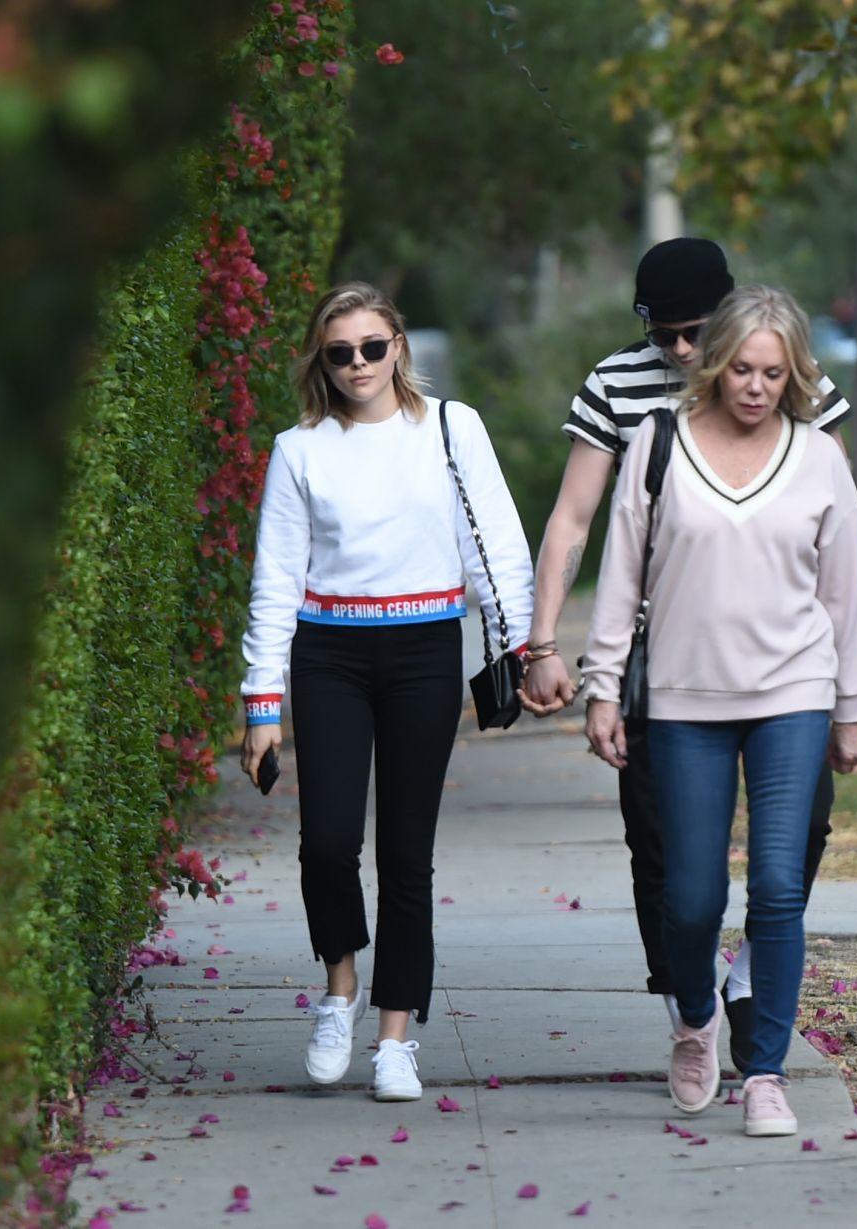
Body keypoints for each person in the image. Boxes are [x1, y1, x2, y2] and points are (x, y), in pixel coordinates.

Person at [519, 238, 857, 1069]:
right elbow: (576, 520)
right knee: (663, 850)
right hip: (669, 658)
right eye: (664, 334)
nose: (681, 351)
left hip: (785, 654)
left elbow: (845, 515)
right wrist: (545, 644)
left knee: (804, 827)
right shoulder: (619, 384)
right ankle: (691, 999)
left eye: (694, 332)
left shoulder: (782, 373)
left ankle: (755, 972)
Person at [581, 284, 857, 1136]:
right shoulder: (656, 444)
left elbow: (845, 589)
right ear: (715, 365)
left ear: (795, 375)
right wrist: (605, 686)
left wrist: (851, 705)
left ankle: (767, 1072)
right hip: (683, 701)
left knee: (780, 887)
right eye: (742, 368)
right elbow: (621, 572)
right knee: (693, 898)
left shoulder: (818, 456)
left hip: (793, 695)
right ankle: (696, 1018)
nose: (755, 386)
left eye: (773, 373)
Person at [239, 282, 533, 1101]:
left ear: (398, 345)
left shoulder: (450, 427)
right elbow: (274, 580)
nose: (359, 364)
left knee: (408, 851)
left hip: (425, 648)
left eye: (373, 347)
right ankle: (340, 990)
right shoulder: (299, 448)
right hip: (329, 652)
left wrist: (518, 648)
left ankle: (397, 1033)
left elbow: (497, 545)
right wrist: (261, 702)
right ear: (321, 361)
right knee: (328, 843)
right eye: (341, 352)